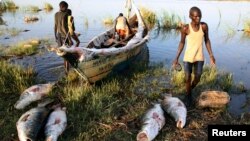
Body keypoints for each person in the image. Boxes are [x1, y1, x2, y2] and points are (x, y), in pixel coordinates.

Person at [172, 6, 216, 107]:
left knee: (198, 77)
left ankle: (189, 89)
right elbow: (182, 43)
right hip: (188, 57)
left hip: (199, 57)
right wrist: (176, 58)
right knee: (187, 77)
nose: (198, 19)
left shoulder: (204, 26)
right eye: (196, 17)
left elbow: (207, 40)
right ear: (190, 16)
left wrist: (211, 55)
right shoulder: (185, 28)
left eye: (199, 16)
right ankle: (188, 96)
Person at [54, 1, 71, 74]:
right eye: (66, 7)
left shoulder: (56, 14)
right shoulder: (66, 14)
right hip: (65, 36)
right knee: (66, 54)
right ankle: (67, 72)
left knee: (63, 54)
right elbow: (66, 27)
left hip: (58, 35)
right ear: (63, 7)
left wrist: (55, 36)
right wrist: (70, 39)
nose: (67, 9)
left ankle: (66, 70)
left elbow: (55, 26)